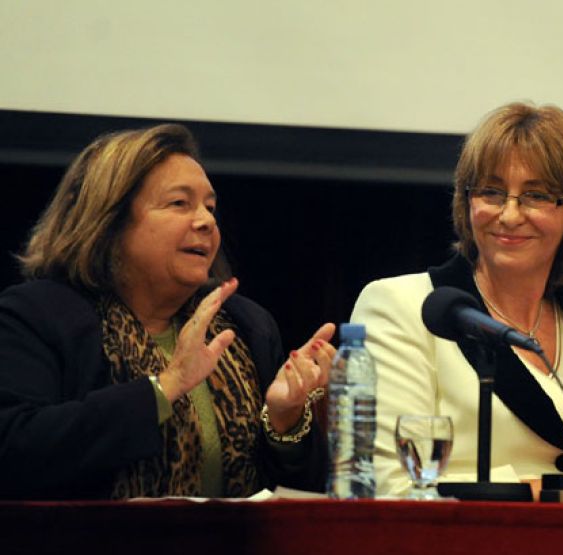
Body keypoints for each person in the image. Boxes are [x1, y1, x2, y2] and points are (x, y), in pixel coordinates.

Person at [351, 102, 563, 496]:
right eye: (491, 191)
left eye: (535, 195)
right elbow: (392, 490)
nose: (508, 214)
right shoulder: (400, 305)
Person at [0, 124, 335, 499]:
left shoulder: (245, 327)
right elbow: (14, 449)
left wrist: (284, 421)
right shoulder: (38, 316)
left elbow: (302, 499)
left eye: (210, 207)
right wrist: (164, 388)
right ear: (109, 221)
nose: (207, 221)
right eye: (179, 203)